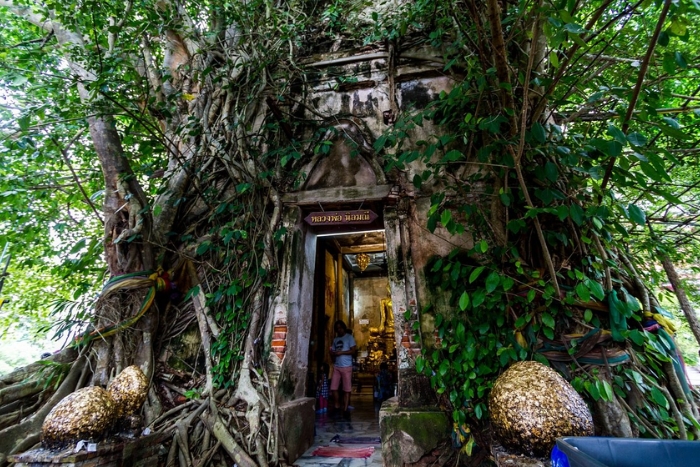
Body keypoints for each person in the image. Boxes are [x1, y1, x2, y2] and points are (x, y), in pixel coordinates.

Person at [329, 320, 356, 419]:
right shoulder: (335, 339)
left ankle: (345, 409)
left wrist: (342, 353)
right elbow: (333, 350)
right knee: (333, 388)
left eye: (340, 328)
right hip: (337, 366)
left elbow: (353, 350)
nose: (339, 330)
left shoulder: (349, 338)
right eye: (337, 329)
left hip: (346, 366)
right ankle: (337, 405)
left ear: (344, 328)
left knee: (346, 389)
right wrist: (332, 353)